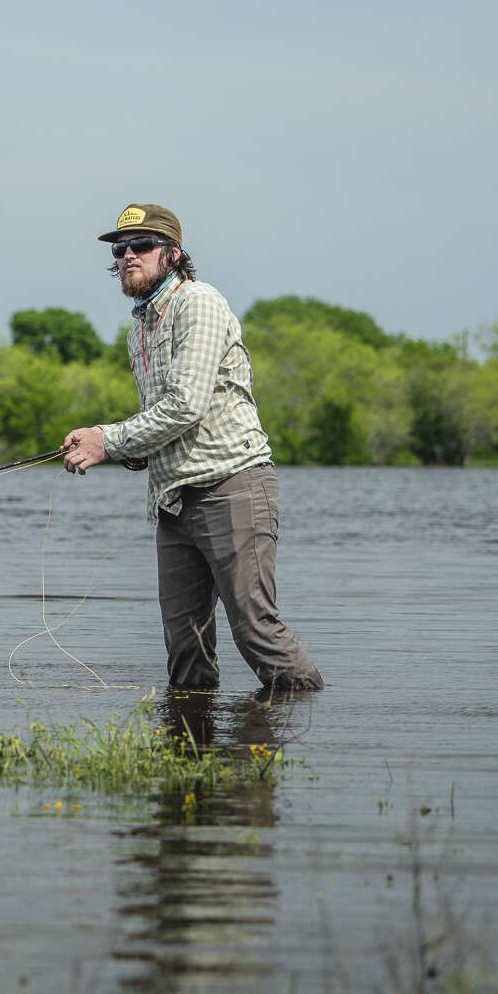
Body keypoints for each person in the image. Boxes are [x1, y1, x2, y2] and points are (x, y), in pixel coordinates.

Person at [60, 204, 323, 692]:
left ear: (174, 254)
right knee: (186, 646)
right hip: (174, 501)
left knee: (256, 631)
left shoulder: (197, 302)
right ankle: (189, 760)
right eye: (120, 249)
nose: (128, 256)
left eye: (142, 245)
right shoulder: (138, 326)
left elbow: (185, 406)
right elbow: (162, 422)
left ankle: (309, 734)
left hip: (233, 488)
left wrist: (108, 439)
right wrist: (116, 448)